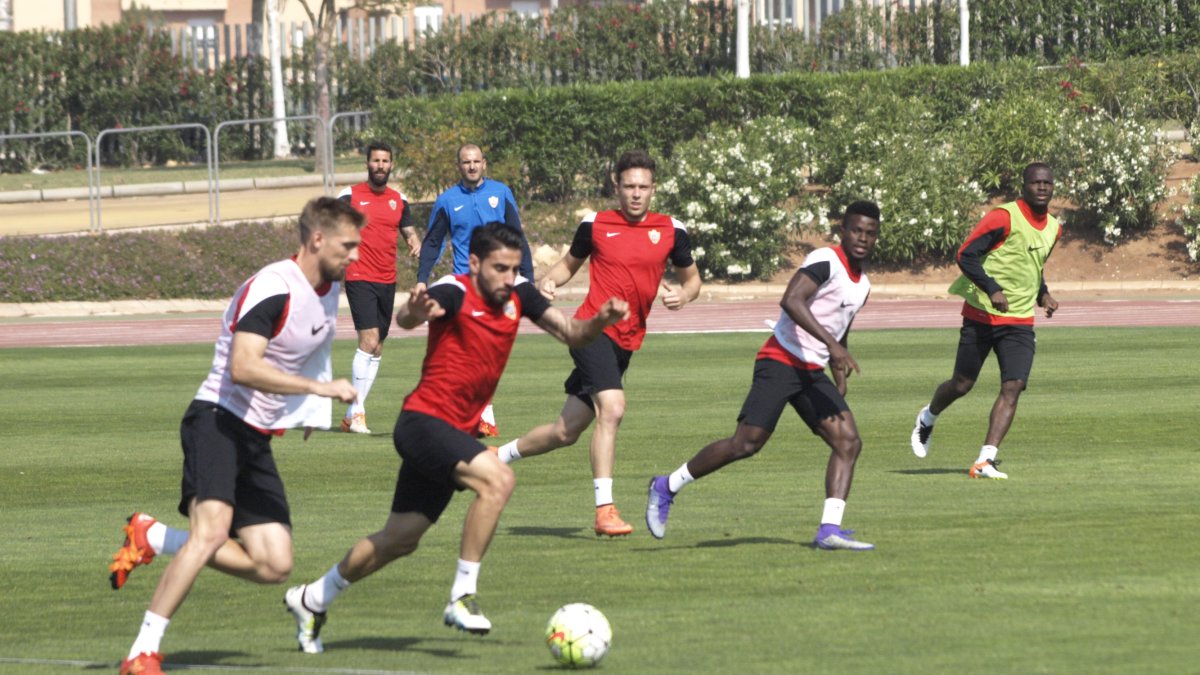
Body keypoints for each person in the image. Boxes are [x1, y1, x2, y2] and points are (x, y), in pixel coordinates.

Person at [284, 223, 628, 652]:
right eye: (500, 268)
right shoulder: (453, 290)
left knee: (400, 539)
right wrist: (415, 310)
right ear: (475, 263)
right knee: (498, 480)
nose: (508, 278)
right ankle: (461, 596)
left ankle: (312, 598)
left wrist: (600, 320)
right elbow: (409, 318)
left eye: (514, 269)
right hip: (423, 423)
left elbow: (573, 333)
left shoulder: (519, 295)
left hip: (451, 433)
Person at [108, 197, 364, 675]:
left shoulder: (329, 288)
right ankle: (142, 651)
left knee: (274, 565)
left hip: (255, 436)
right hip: (217, 420)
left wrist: (310, 409)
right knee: (209, 535)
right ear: (317, 239)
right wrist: (319, 389)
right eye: (347, 245)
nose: (355, 254)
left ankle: (154, 535)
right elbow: (243, 367)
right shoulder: (273, 286)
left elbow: (311, 345)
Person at [644, 201, 882, 551]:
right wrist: (833, 346)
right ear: (843, 231)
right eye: (856, 230)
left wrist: (838, 367)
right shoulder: (825, 260)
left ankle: (828, 530)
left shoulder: (864, 286)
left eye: (870, 233)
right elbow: (792, 300)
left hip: (812, 371)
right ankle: (666, 486)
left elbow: (839, 326)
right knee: (746, 444)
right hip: (780, 360)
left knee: (848, 442)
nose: (862, 238)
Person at [493, 149, 702, 537]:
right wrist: (549, 280)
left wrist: (684, 295)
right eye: (629, 186)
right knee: (613, 408)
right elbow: (567, 265)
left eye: (643, 187)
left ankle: (496, 455)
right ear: (616, 186)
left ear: (653, 189)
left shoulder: (672, 229)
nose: (636, 194)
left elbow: (693, 280)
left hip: (626, 343)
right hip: (590, 330)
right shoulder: (596, 224)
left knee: (565, 431)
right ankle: (605, 510)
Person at [909, 162, 1061, 479]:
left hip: (1019, 320)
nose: (1042, 187)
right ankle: (928, 416)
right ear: (1023, 186)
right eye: (1035, 182)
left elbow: (1033, 265)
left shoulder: (1053, 228)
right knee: (962, 384)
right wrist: (991, 288)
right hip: (981, 315)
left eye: (1047, 183)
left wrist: (1043, 294)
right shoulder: (1003, 217)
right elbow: (965, 254)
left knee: (1014, 385)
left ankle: (985, 461)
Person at [417, 143, 534, 438]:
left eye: (476, 161)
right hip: (463, 285)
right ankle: (480, 415)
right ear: (459, 166)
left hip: (496, 284)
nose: (471, 166)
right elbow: (433, 242)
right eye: (466, 162)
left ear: (484, 163)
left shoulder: (501, 193)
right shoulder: (447, 200)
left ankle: (478, 413)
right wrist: (422, 278)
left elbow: (518, 236)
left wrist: (528, 277)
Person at [337, 140, 420, 435]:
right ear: (367, 164)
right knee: (368, 340)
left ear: (391, 165)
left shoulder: (399, 199)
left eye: (385, 161)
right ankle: (358, 412)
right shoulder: (349, 196)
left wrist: (415, 242)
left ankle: (350, 415)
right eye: (376, 161)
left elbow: (409, 232)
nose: (380, 166)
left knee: (378, 346)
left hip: (387, 280)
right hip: (359, 275)